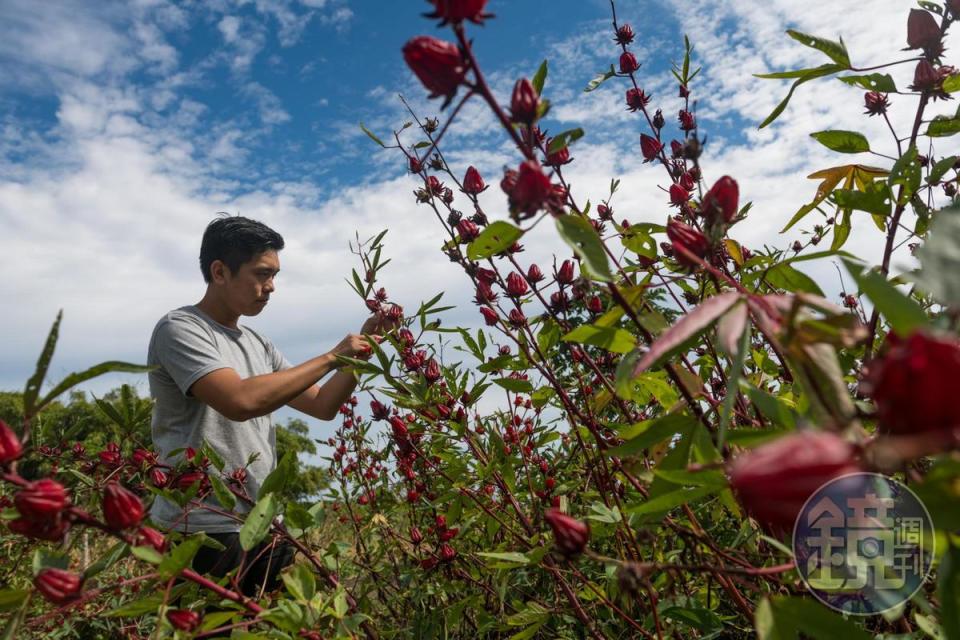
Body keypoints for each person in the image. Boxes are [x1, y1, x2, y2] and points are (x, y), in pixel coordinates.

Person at [146, 214, 391, 596]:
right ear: (220, 271)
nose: (271, 287)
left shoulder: (259, 343)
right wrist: (332, 357)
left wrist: (365, 351)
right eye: (262, 274)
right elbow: (240, 400)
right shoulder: (180, 329)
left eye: (275, 275)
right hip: (202, 529)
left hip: (261, 523)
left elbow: (324, 405)